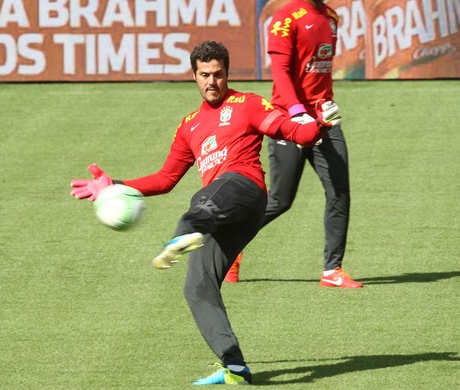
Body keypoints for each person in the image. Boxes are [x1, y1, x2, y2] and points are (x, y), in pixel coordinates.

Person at [70, 41, 339, 385]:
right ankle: (235, 366)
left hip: (245, 191)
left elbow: (291, 130)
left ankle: (187, 231)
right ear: (194, 76)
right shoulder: (189, 125)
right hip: (220, 214)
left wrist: (319, 124)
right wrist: (113, 185)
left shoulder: (249, 103)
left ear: (227, 73)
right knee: (197, 286)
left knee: (205, 199)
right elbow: (165, 179)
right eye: (204, 75)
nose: (212, 81)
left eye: (218, 74)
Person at [225, 0, 363, 288]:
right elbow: (282, 72)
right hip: (289, 119)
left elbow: (319, 72)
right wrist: (297, 112)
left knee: (339, 191)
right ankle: (231, 243)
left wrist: (323, 107)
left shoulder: (331, 17)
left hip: (324, 120)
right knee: (280, 200)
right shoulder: (284, 19)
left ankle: (332, 270)